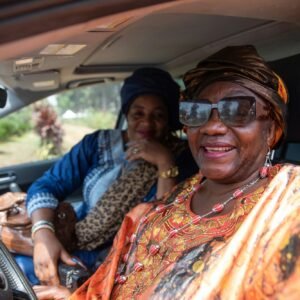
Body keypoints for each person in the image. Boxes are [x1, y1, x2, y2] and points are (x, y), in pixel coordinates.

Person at [34, 45, 300, 300]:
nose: (212, 127)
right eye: (198, 112)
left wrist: (164, 162)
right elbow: (110, 285)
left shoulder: (289, 203)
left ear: (272, 131)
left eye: (238, 111)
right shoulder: (156, 209)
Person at [17, 67, 197, 286]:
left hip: (127, 260)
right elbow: (46, 185)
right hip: (74, 239)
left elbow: (164, 225)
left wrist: (164, 162)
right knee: (11, 266)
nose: (147, 124)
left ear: (169, 119)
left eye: (158, 116)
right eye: (138, 113)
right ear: (127, 112)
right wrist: (43, 234)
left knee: (20, 272)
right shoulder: (97, 144)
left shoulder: (183, 157)